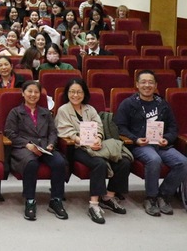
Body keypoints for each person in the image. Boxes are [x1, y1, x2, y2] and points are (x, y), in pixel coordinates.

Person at [113, 70, 187, 217]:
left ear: (155, 85)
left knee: (184, 163)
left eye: (150, 82)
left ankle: (164, 195)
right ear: (137, 85)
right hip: (140, 145)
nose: (147, 85)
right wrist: (135, 139)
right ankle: (151, 198)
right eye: (143, 82)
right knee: (154, 159)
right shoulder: (128, 103)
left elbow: (173, 127)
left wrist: (167, 138)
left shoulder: (163, 104)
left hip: (161, 145)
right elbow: (120, 127)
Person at [55, 78, 131, 224]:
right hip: (77, 147)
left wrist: (98, 138)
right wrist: (83, 140)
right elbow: (65, 131)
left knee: (124, 161)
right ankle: (94, 205)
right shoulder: (63, 110)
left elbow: (99, 127)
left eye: (79, 92)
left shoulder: (90, 109)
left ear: (84, 93)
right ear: (67, 93)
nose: (75, 95)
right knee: (99, 163)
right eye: (72, 92)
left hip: (96, 145)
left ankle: (108, 197)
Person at [4, 80, 68, 221]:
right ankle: (30, 200)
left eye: (36, 92)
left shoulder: (46, 113)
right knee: (31, 163)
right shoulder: (16, 112)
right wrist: (27, 144)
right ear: (23, 93)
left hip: (44, 146)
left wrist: (51, 144)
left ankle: (56, 200)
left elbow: (53, 132)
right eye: (29, 91)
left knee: (59, 162)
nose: (33, 95)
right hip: (24, 148)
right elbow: (10, 133)